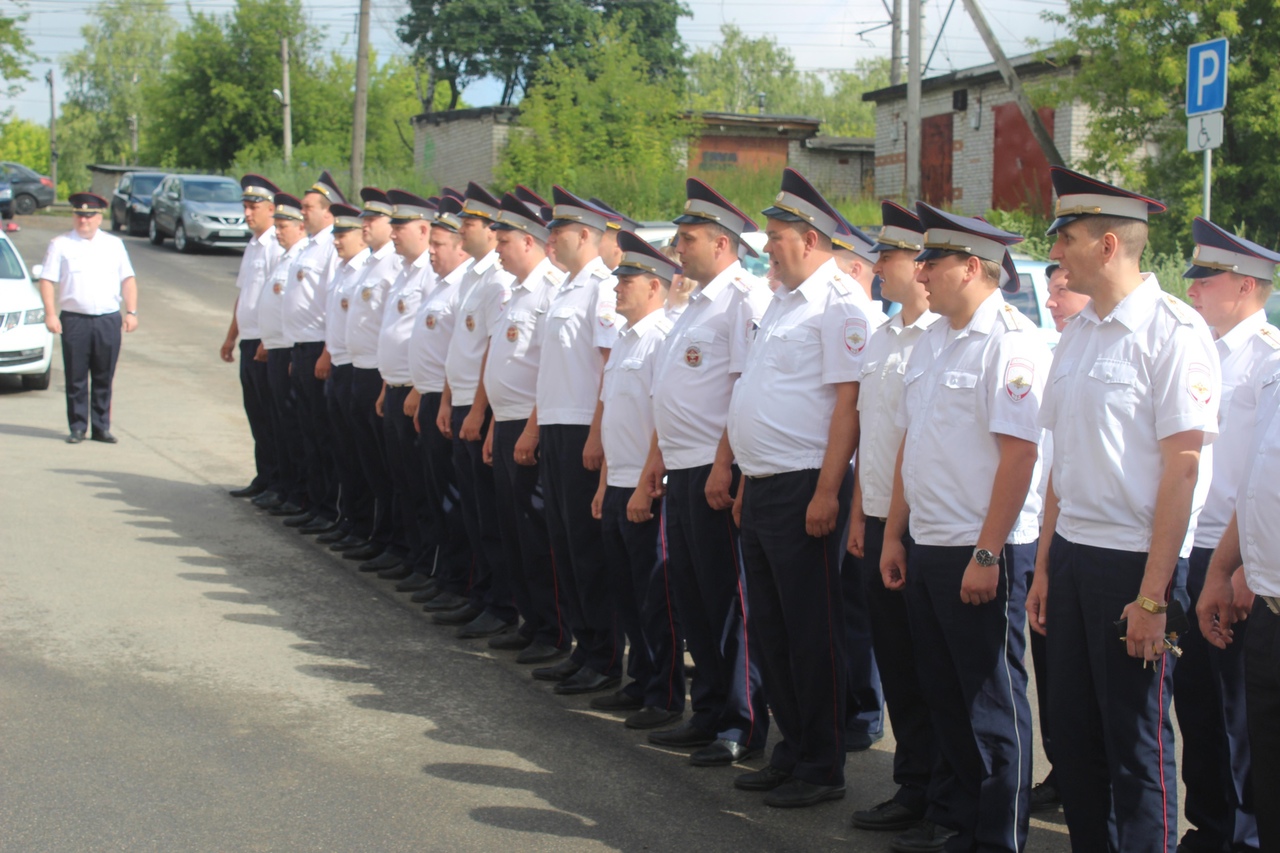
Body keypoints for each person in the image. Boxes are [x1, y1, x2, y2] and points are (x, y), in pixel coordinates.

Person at [1027, 167, 1221, 852]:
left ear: (1108, 245)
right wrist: (1046, 563)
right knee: (1074, 738)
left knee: (1136, 744)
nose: (1058, 254)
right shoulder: (1079, 334)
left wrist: (1153, 594)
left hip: (1137, 561)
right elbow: (1061, 461)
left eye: (1069, 239)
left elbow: (1184, 468)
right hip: (1076, 553)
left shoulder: (1173, 332)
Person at [881, 204, 1050, 852]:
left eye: (932, 259)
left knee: (991, 705)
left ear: (972, 267)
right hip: (930, 542)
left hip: (982, 548)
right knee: (945, 695)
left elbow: (1020, 455)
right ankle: (956, 821)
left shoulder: (1009, 341)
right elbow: (912, 444)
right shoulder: (934, 338)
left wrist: (987, 551)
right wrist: (897, 533)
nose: (919, 270)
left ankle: (999, 837)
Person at [726, 168, 872, 808]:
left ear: (811, 239)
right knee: (774, 629)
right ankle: (792, 747)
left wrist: (828, 492)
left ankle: (823, 762)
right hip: (763, 485)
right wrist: (742, 477)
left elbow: (849, 407)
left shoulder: (842, 305)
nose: (768, 248)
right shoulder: (783, 301)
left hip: (805, 484)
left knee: (813, 630)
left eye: (778, 236)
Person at [641, 177, 769, 767]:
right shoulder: (694, 301)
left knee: (729, 601)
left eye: (687, 238)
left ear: (722, 244)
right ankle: (710, 707)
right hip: (684, 468)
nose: (676, 247)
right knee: (692, 595)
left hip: (716, 471)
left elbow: (743, 389)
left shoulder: (743, 299)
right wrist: (660, 461)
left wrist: (724, 465)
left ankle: (741, 722)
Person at [1173, 217, 1276, 853]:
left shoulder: (1266, 358)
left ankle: (1242, 832)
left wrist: (1240, 567)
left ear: (1243, 285)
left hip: (1240, 554)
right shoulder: (1203, 350)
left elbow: (1254, 474)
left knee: (1241, 708)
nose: (1194, 290)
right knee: (1198, 702)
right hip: (1197, 546)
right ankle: (1209, 823)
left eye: (1205, 279)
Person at [847, 201, 942, 842]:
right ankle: (913, 785)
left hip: (920, 523)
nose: (878, 266)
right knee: (900, 668)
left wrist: (893, 527)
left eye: (889, 255)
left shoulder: (940, 335)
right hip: (878, 512)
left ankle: (944, 793)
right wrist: (860, 513)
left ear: (920, 262)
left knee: (933, 668)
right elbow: (869, 434)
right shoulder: (882, 335)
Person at [521, 186, 621, 696]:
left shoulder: (603, 289)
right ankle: (585, 646)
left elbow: (610, 369)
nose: (549, 240)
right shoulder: (565, 288)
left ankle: (604, 656)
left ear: (585, 235)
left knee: (586, 548)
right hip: (559, 427)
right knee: (564, 542)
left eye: (557, 232)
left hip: (585, 429)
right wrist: (536, 427)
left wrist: (599, 435)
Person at [591, 230, 685, 731]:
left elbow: (660, 420)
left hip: (646, 486)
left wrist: (646, 484)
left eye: (627, 280)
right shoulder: (626, 336)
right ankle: (640, 679)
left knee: (655, 597)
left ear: (656, 286)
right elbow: (614, 419)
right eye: (618, 279)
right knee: (626, 591)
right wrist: (606, 484)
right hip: (619, 480)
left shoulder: (661, 338)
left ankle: (665, 693)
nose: (617, 288)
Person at [1197, 359, 1280, 853]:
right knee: (1268, 783)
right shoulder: (1273, 372)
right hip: (1270, 615)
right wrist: (1220, 571)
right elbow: (1256, 487)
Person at [485, 191, 570, 664]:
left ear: (530, 242)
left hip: (531, 425)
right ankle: (530, 619)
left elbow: (548, 372)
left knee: (538, 534)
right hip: (509, 421)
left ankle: (552, 629)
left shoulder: (551, 289)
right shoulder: (513, 291)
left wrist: (530, 431)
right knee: (514, 529)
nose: (497, 249)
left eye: (504, 241)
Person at [437, 182, 516, 637]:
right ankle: (481, 594)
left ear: (491, 232)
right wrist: (449, 398)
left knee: (491, 514)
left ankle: (499, 603)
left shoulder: (499, 280)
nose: (461, 229)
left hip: (483, 407)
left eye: (468, 222)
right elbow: (459, 346)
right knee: (474, 510)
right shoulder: (472, 275)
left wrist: (475, 410)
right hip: (464, 400)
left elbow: (491, 351)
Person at [406, 195, 474, 607]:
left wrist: (441, 399)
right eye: (430, 244)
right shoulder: (444, 285)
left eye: (439, 245)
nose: (431, 252)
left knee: (454, 499)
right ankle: (444, 573)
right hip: (436, 398)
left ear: (461, 247)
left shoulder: (463, 287)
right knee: (434, 492)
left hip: (450, 401)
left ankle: (459, 581)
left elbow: (462, 354)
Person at [368, 189, 439, 579]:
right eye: (392, 227)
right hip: (394, 389)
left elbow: (428, 340)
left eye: (400, 227)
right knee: (400, 480)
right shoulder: (404, 271)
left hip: (416, 393)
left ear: (424, 229)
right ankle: (408, 552)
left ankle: (426, 560)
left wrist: (414, 387)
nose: (393, 234)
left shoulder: (431, 274)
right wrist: (386, 385)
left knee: (419, 484)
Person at [332, 187, 404, 558]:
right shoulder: (371, 263)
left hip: (379, 372)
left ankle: (386, 536)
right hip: (358, 368)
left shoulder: (395, 263)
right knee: (363, 459)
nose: (365, 225)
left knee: (385, 466)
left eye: (372, 219)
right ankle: (366, 529)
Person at [37, 192, 138, 444]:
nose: (84, 220)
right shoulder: (60, 244)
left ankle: (101, 426)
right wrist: (50, 313)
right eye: (79, 215)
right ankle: (78, 426)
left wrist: (132, 311)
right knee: (76, 375)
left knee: (104, 375)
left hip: (107, 319)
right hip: (75, 319)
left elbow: (128, 279)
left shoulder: (114, 244)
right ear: (74, 216)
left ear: (99, 217)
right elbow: (47, 280)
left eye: (89, 216)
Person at [282, 170, 345, 533]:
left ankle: (326, 507)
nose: (302, 212)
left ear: (327, 211)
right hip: (301, 347)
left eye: (308, 207)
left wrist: (325, 352)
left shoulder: (331, 249)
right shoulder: (308, 246)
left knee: (322, 433)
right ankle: (312, 501)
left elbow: (331, 306)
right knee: (307, 429)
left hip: (319, 351)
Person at [220, 174, 282, 499]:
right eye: (245, 206)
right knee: (255, 412)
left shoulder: (276, 245)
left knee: (271, 416)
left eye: (252, 207)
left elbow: (278, 299)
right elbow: (244, 295)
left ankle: (276, 481)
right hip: (249, 341)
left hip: (265, 343)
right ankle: (263, 475)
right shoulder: (253, 246)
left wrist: (265, 341)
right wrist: (231, 336)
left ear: (271, 208)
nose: (247, 213)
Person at [316, 203, 372, 547]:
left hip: (359, 369)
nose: (337, 241)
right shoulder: (343, 270)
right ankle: (349, 519)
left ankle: (364, 525)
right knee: (342, 449)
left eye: (344, 234)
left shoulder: (367, 268)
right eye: (334, 234)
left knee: (360, 454)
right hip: (340, 364)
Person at [256, 193, 311, 518]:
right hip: (279, 347)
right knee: (280, 424)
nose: (277, 231)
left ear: (300, 227)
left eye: (283, 225)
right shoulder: (286, 256)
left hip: (293, 349)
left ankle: (297, 493)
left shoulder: (302, 256)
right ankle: (284, 488)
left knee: (295, 427)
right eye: (275, 225)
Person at [1043, 262, 1088, 333]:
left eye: (1062, 290)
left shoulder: (1109, 339)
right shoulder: (1069, 340)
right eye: (1050, 293)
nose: (1049, 303)